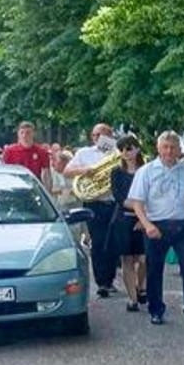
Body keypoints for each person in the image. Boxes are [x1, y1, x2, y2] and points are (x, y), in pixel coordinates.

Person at [127, 131, 184, 328]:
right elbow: (137, 202)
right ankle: (156, 310)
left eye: (173, 147)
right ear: (158, 148)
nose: (169, 151)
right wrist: (147, 224)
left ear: (179, 149)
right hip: (156, 226)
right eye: (165, 147)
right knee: (154, 270)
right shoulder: (146, 171)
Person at [64, 123, 120, 297]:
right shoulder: (84, 153)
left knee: (112, 242)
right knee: (97, 242)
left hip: (113, 202)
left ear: (109, 136)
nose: (97, 139)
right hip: (94, 202)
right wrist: (85, 170)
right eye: (94, 135)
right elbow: (67, 171)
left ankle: (110, 280)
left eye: (101, 135)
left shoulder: (116, 152)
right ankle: (101, 282)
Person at [108, 135, 147, 312]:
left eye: (129, 148)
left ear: (137, 149)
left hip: (145, 218)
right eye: (122, 149)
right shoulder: (116, 172)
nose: (126, 153)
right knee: (127, 258)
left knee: (144, 258)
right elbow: (120, 197)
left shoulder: (146, 170)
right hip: (123, 218)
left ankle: (141, 286)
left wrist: (142, 217)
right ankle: (132, 298)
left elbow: (151, 196)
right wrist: (138, 209)